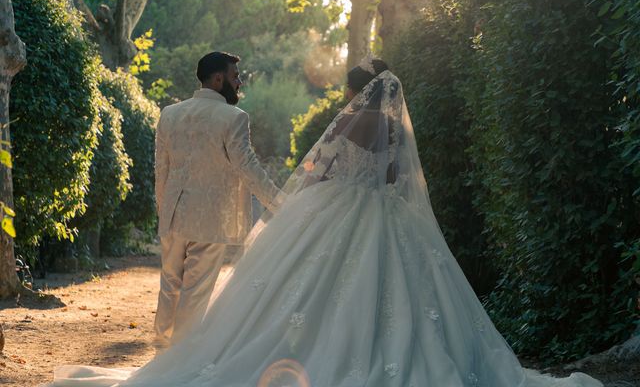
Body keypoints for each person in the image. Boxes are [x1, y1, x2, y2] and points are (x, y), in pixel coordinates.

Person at [48, 56, 602, 387]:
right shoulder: (396, 130)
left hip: (317, 209)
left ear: (356, 90)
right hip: (385, 218)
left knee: (251, 292)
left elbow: (316, 169)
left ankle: (176, 348)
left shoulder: (347, 124)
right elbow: (392, 182)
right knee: (390, 292)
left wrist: (294, 205)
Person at [153, 51, 281, 349]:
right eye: (236, 77)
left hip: (173, 214)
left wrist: (164, 209)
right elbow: (248, 168)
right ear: (218, 78)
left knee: (169, 285)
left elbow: (162, 169)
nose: (239, 83)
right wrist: (281, 205)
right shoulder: (234, 118)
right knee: (195, 293)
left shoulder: (169, 114)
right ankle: (178, 364)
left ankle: (161, 356)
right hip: (210, 219)